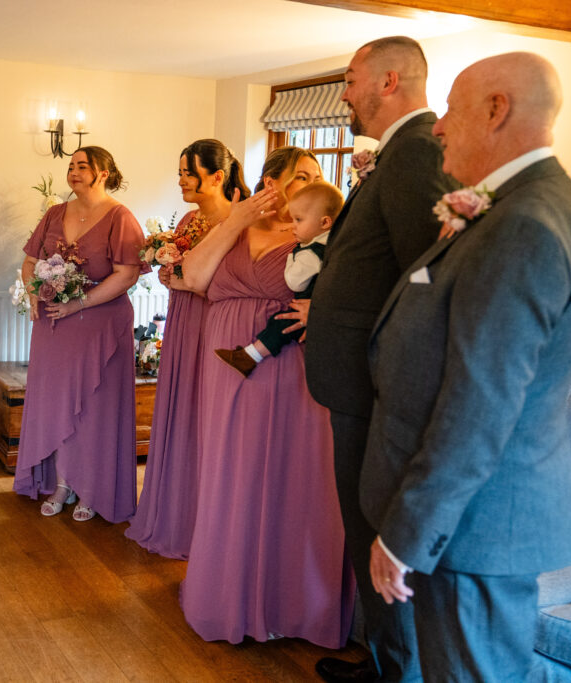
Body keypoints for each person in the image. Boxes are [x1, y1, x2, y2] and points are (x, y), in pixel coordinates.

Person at [361, 52, 571, 681]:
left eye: (451, 109)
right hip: (471, 517)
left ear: (497, 110)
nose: (437, 127)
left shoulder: (528, 223)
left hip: (481, 521)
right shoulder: (510, 207)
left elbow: (481, 405)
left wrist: (406, 534)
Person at [275, 37, 458, 683]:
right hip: (356, 382)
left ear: (389, 81)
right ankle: (384, 661)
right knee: (363, 526)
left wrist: (389, 376)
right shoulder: (395, 156)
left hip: (376, 386)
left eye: (351, 80)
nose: (344, 93)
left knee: (375, 529)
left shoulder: (415, 155)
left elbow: (426, 280)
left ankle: (397, 672)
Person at [178, 147, 355, 646]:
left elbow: (350, 290)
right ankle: (226, 595)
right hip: (227, 363)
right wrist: (235, 220)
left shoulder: (320, 235)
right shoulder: (236, 226)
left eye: (315, 179)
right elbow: (193, 277)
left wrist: (319, 311)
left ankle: (287, 604)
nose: (309, 185)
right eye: (301, 176)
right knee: (230, 472)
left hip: (290, 366)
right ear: (271, 182)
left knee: (287, 473)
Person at [125, 139, 249, 559]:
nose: (180, 180)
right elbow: (173, 275)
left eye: (188, 173)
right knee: (180, 411)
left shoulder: (241, 222)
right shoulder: (191, 220)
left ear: (216, 176)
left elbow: (229, 279)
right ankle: (175, 513)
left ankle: (208, 525)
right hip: (182, 321)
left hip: (217, 321)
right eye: (179, 172)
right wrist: (168, 267)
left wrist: (179, 273)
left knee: (208, 414)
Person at [13, 146, 144, 523]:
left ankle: (92, 488)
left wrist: (79, 303)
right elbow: (29, 261)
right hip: (54, 326)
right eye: (70, 166)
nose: (73, 172)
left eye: (82, 166)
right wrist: (34, 291)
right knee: (56, 404)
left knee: (94, 408)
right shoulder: (55, 213)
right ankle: (61, 483)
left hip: (101, 324)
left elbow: (128, 274)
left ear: (103, 172)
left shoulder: (120, 217)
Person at [214, 181, 342, 378]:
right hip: (316, 309)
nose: (293, 226)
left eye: (299, 220)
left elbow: (294, 282)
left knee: (280, 324)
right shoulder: (334, 245)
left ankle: (250, 356)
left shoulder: (311, 253)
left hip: (304, 309)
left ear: (325, 222)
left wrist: (291, 256)